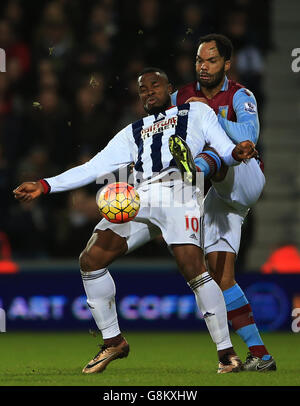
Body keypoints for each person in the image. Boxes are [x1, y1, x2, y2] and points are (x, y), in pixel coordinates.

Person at [13, 67, 257, 374]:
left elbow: (223, 148)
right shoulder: (133, 131)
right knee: (91, 259)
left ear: (169, 88)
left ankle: (226, 354)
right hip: (138, 196)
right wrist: (45, 184)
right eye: (142, 89)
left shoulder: (195, 112)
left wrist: (237, 151)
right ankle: (113, 341)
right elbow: (94, 166)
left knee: (193, 268)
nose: (148, 92)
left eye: (155, 86)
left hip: (179, 191)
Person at [171, 33, 276, 371]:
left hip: (245, 177)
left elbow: (249, 137)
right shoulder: (182, 97)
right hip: (220, 195)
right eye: (199, 60)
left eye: (211, 60)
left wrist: (206, 116)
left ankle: (192, 174)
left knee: (210, 144)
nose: (203, 66)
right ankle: (261, 356)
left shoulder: (240, 95)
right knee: (220, 278)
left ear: (227, 65)